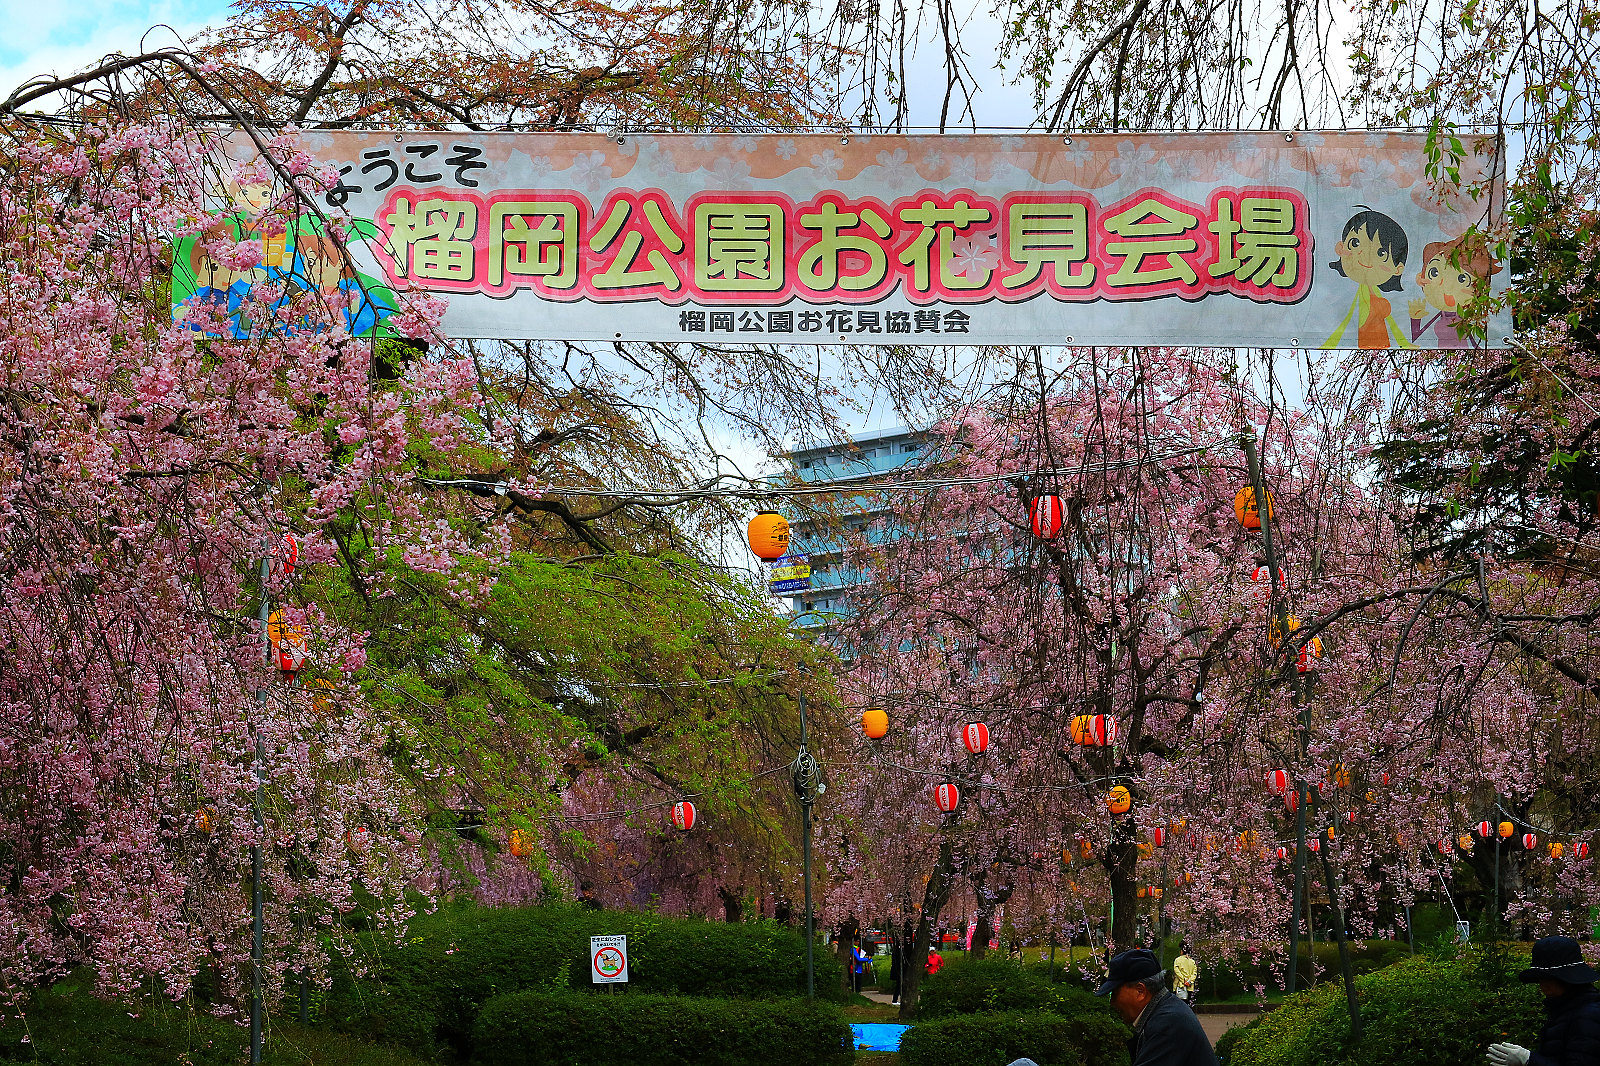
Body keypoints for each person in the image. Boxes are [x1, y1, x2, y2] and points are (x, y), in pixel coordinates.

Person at [1486, 935, 1600, 1066]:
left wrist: (1529, 1060)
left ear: (1569, 979)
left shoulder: (1588, 1015)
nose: (1543, 985)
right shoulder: (1564, 1008)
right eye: (1540, 978)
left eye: (1549, 979)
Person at [1097, 947, 1218, 1066]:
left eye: (1115, 993)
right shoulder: (1166, 1011)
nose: (1112, 1002)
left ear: (1140, 991)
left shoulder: (1167, 1024)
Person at [1172, 942, 1199, 1009]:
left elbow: (1177, 971)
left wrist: (1183, 980)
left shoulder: (1177, 960)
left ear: (1182, 951)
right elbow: (1194, 973)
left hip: (1180, 986)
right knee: (1187, 1006)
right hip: (1189, 986)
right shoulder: (1192, 961)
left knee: (1178, 1006)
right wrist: (1189, 981)